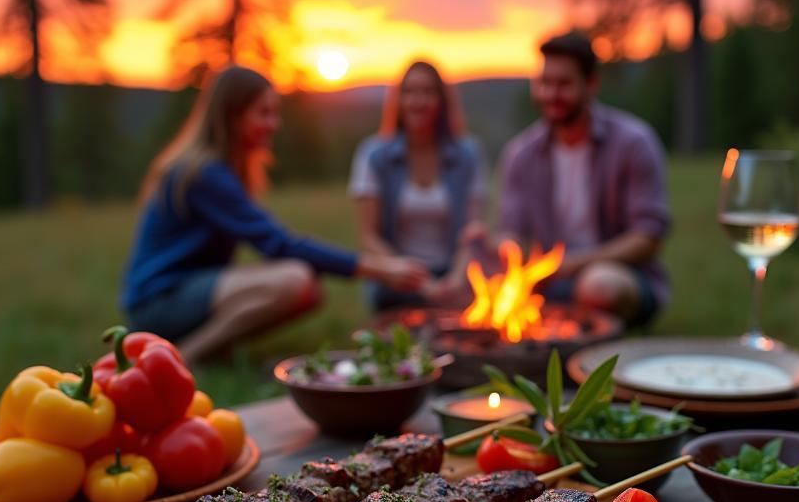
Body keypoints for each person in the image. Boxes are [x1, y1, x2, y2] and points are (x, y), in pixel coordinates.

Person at [121, 66, 427, 363]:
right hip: (158, 301)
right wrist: (379, 268)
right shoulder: (205, 173)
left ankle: (208, 350)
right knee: (295, 279)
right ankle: (186, 356)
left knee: (306, 289)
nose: (274, 123)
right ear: (233, 116)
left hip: (182, 293)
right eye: (264, 113)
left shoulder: (219, 170)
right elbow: (279, 245)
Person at [498, 32, 671, 323]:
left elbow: (647, 238)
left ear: (591, 84)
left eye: (563, 84)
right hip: (550, 284)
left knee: (598, 285)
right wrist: (508, 253)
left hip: (621, 276)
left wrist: (566, 265)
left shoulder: (633, 143)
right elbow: (511, 231)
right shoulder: (521, 154)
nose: (551, 95)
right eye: (544, 83)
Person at [348, 60, 486, 309]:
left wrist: (455, 279)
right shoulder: (373, 155)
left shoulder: (468, 155)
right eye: (409, 92)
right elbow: (368, 237)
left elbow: (473, 231)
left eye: (427, 92)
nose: (418, 101)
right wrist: (418, 282)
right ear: (398, 101)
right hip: (396, 281)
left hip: (452, 279)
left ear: (442, 101)